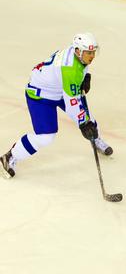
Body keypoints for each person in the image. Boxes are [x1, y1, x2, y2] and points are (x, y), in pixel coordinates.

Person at [0, 33, 113, 179]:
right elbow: (72, 102)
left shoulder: (77, 55)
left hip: (58, 89)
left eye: (93, 52)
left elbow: (79, 72)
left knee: (88, 117)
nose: (91, 56)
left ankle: (95, 139)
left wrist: (85, 77)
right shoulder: (69, 69)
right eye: (88, 53)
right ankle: (9, 157)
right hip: (41, 96)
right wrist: (84, 124)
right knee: (46, 137)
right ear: (78, 51)